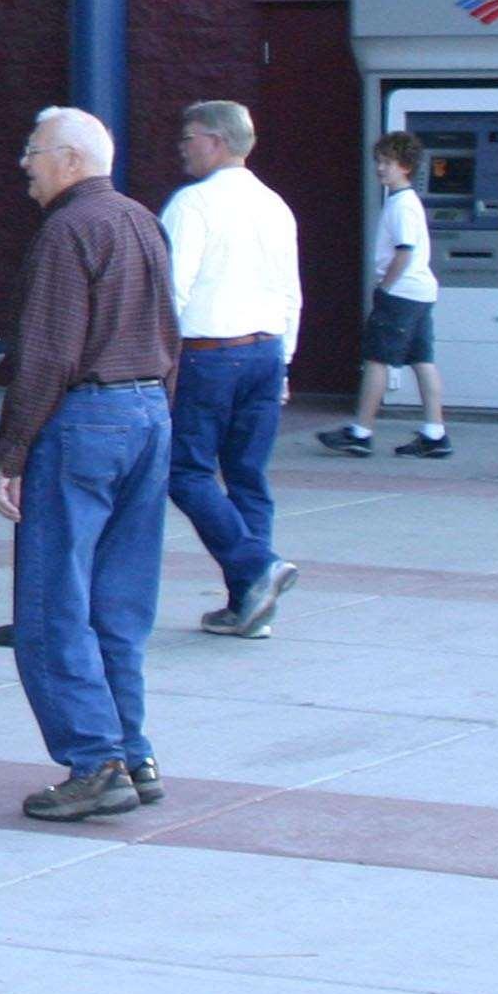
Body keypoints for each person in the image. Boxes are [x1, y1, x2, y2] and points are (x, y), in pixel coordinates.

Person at [0, 107, 177, 823]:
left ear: (70, 159)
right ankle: (133, 751)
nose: (25, 164)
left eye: (34, 152)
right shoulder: (140, 221)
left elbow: (47, 354)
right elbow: (172, 331)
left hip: (87, 419)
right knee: (119, 603)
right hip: (147, 413)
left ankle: (94, 760)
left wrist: (12, 452)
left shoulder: (68, 231)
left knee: (52, 603)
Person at [161, 100, 302, 638]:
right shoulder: (275, 205)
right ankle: (251, 604)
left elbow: (172, 289)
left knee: (185, 471)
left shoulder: (192, 204)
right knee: (248, 476)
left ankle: (253, 570)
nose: (182, 145)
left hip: (208, 353)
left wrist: (160, 361)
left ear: (216, 141)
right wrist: (284, 362)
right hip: (266, 349)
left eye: (189, 136)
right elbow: (291, 292)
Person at [321, 132, 449, 458]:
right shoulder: (407, 202)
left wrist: (384, 286)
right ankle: (435, 431)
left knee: (376, 359)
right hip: (421, 292)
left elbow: (404, 252)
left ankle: (361, 431)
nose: (380, 168)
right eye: (378, 161)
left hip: (401, 293)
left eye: (387, 163)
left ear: (405, 167)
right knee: (422, 359)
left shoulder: (401, 205)